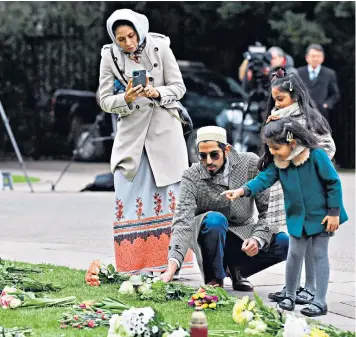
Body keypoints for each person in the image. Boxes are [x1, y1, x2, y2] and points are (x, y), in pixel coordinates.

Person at [98, 9, 193, 274]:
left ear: (140, 30)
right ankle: (135, 266)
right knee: (130, 196)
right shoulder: (109, 56)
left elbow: (179, 87)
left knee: (170, 198)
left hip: (164, 132)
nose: (128, 43)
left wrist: (157, 92)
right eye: (121, 38)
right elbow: (104, 100)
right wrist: (125, 99)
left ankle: (170, 266)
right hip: (131, 135)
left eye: (131, 36)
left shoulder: (160, 47)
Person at [223, 118, 348, 317]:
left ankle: (320, 301)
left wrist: (334, 213)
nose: (272, 152)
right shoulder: (279, 163)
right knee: (294, 255)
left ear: (292, 143)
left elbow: (333, 183)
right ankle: (289, 296)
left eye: (276, 148)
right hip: (298, 219)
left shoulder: (316, 156)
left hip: (323, 217)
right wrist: (242, 190)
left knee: (319, 256)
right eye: (269, 148)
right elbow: (263, 180)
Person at [159, 126, 289, 290]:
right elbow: (182, 222)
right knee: (215, 220)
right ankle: (214, 281)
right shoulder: (191, 175)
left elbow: (268, 212)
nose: (209, 161)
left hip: (241, 235)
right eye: (202, 156)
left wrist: (257, 238)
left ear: (226, 150)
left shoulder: (249, 163)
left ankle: (236, 271)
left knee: (284, 243)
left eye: (214, 154)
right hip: (208, 233)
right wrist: (172, 267)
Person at [264, 68, 336, 305]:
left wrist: (297, 141)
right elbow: (273, 151)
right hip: (289, 187)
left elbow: (327, 147)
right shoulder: (277, 115)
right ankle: (293, 287)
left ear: (295, 96)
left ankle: (311, 287)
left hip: (310, 189)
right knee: (297, 238)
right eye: (274, 99)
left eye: (280, 99)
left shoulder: (309, 118)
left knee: (311, 240)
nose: (276, 103)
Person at [297, 44, 340, 122]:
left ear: (322, 58)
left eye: (318, 56)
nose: (315, 58)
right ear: (307, 57)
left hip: (322, 114)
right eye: (313, 56)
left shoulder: (329, 73)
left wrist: (326, 105)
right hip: (303, 112)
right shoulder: (299, 72)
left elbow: (335, 94)